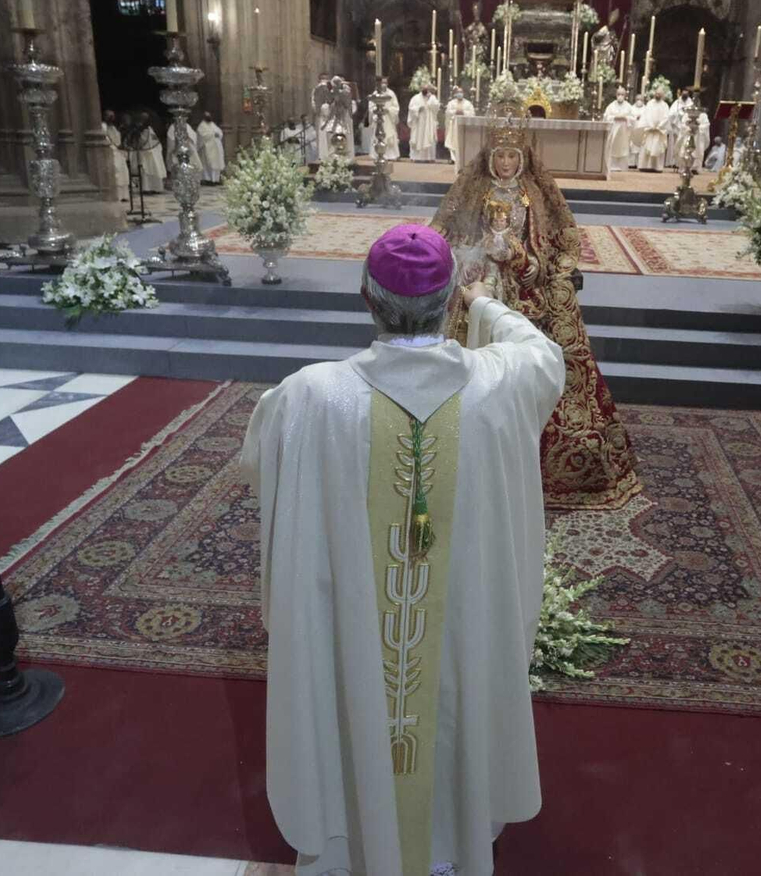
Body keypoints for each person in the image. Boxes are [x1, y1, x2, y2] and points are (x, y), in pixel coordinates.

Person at [240, 223, 564, 876]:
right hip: (460, 639)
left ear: (365, 297)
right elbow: (541, 352)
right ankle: (453, 847)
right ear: (448, 302)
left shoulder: (309, 398)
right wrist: (485, 304)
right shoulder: (500, 386)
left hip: (357, 637)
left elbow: (259, 462)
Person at [432, 112, 642, 510]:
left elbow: (557, 241)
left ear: (523, 158)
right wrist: (474, 256)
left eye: (513, 157)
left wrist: (525, 260)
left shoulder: (535, 194)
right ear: (490, 157)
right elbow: (449, 229)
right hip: (479, 280)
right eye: (501, 156)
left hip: (525, 287)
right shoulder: (474, 189)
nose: (506, 164)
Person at [602, 86, 638, 170]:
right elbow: (606, 116)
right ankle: (612, 166)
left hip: (624, 131)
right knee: (613, 147)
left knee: (623, 148)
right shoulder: (611, 105)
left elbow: (633, 118)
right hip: (614, 130)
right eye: (619, 94)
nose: (620, 96)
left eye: (622, 94)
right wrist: (615, 117)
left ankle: (622, 166)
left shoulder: (629, 106)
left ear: (625, 95)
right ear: (616, 95)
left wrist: (626, 118)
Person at [636, 91, 669, 172]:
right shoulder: (650, 103)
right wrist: (651, 125)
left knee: (657, 147)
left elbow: (666, 117)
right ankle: (644, 166)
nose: (657, 95)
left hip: (659, 130)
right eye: (656, 93)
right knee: (646, 147)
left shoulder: (665, 105)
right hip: (650, 129)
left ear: (662, 95)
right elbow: (647, 115)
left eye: (659, 93)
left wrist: (659, 126)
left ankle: (656, 167)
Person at [407, 83, 441, 162]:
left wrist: (430, 100)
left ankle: (429, 157)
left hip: (429, 122)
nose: (425, 90)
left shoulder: (432, 97)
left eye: (427, 88)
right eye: (423, 88)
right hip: (419, 122)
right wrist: (418, 109)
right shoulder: (415, 98)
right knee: (418, 137)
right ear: (421, 89)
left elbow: (436, 107)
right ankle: (416, 157)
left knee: (429, 136)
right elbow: (411, 108)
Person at [444, 86, 476, 170]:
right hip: (454, 126)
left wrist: (464, 112)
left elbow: (472, 113)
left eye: (461, 92)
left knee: (462, 141)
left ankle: (463, 158)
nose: (459, 94)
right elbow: (447, 113)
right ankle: (453, 158)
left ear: (463, 94)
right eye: (458, 92)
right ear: (455, 94)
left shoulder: (468, 103)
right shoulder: (451, 103)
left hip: (464, 127)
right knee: (453, 141)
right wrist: (455, 112)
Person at [101, 110, 128, 200]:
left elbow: (117, 139)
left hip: (118, 151)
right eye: (110, 116)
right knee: (115, 171)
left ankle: (123, 195)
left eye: (113, 116)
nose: (112, 118)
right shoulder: (103, 126)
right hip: (110, 151)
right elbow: (106, 139)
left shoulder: (113, 127)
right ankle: (115, 195)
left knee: (123, 172)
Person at [196, 111, 226, 185]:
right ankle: (208, 179)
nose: (208, 117)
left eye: (209, 116)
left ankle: (216, 179)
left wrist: (218, 134)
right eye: (207, 116)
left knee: (217, 163)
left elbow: (220, 132)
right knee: (209, 164)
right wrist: (213, 135)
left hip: (216, 148)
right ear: (204, 117)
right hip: (208, 148)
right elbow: (202, 135)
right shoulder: (202, 126)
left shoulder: (212, 124)